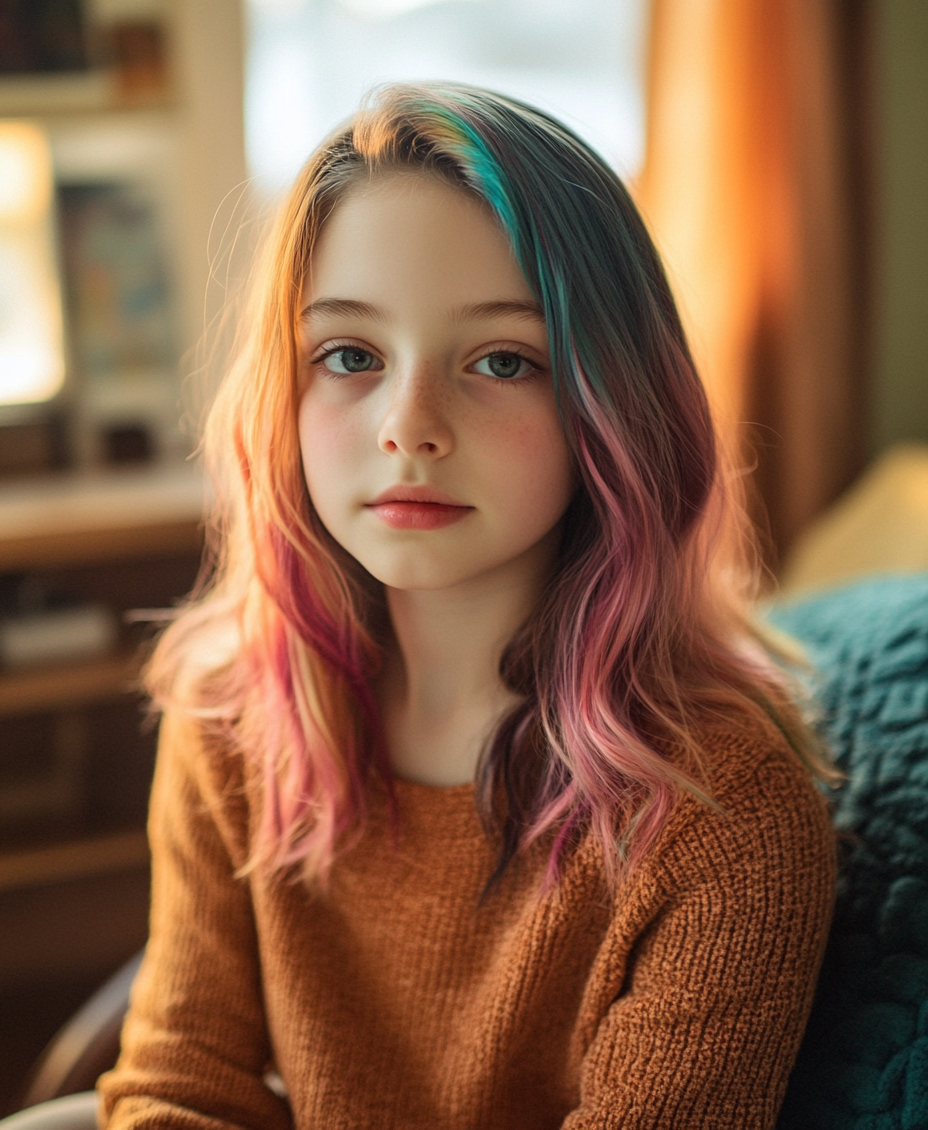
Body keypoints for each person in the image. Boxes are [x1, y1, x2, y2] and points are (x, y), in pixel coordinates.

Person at [99, 83, 836, 1130]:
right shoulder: (231, 713)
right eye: (349, 355)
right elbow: (179, 1081)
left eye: (502, 359)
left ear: (611, 405)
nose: (410, 425)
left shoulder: (724, 808)